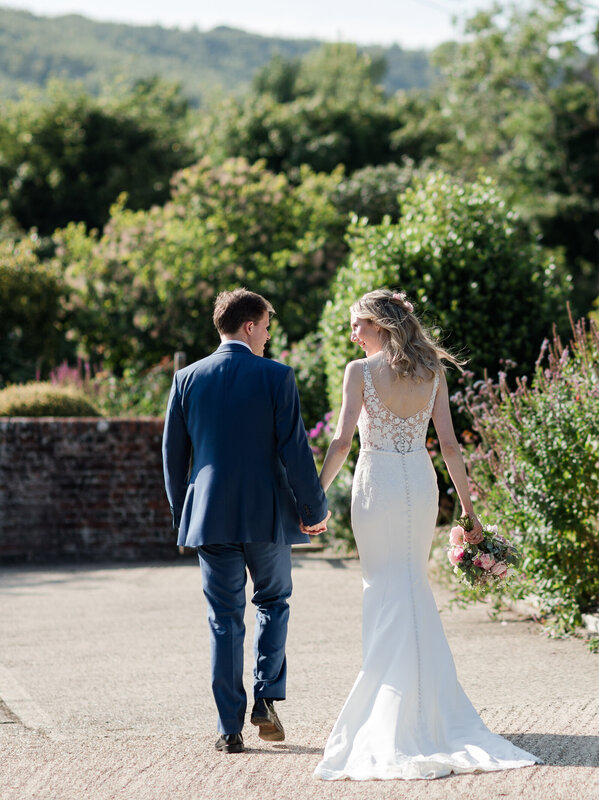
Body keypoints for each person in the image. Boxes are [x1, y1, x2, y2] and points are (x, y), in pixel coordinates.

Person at [313, 289, 539, 780]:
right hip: (419, 481)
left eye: (358, 325)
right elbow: (451, 447)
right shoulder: (432, 370)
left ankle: (392, 708)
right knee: (411, 584)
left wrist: (315, 497)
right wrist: (469, 510)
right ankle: (426, 709)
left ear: (380, 325)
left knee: (384, 587)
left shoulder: (359, 371)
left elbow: (342, 440)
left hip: (376, 486)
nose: (353, 335)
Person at [162, 288, 330, 755]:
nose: (269, 337)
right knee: (273, 602)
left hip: (210, 516)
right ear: (250, 326)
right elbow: (295, 449)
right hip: (267, 515)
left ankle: (228, 728)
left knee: (223, 620)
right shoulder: (276, 377)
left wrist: (184, 516)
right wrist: (314, 510)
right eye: (267, 327)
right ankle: (266, 699)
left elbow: (173, 458)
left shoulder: (187, 379)